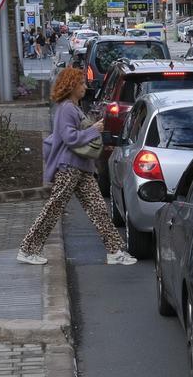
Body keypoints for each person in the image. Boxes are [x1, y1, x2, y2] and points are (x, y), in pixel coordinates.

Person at [18, 68, 136, 266]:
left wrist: (92, 128)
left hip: (81, 167)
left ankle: (115, 251)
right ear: (71, 86)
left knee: (98, 208)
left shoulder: (73, 107)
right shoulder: (66, 108)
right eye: (81, 83)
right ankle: (28, 249)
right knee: (54, 208)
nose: (85, 87)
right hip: (69, 166)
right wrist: (94, 129)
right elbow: (69, 138)